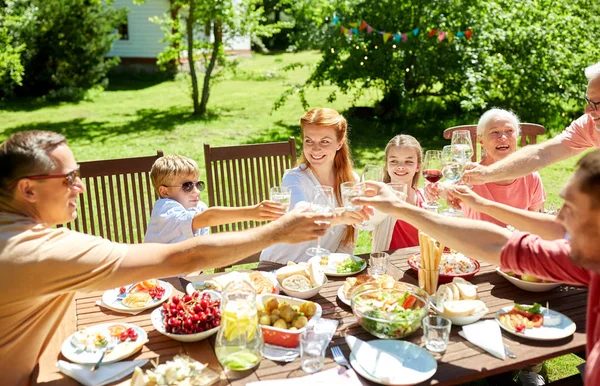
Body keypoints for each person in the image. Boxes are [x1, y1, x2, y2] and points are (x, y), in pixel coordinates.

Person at [0, 130, 332, 386]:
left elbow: (207, 219)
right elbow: (183, 257)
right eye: (69, 179)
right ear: (28, 190)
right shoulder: (36, 249)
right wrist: (277, 231)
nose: (81, 187)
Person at [354, 149, 600, 386]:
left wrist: (400, 208)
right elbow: (531, 238)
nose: (559, 216)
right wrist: (481, 204)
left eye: (572, 208)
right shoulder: (588, 257)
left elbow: (497, 244)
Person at [259, 108, 369, 267]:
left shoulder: (351, 181)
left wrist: (340, 270)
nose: (315, 149)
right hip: (278, 266)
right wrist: (342, 215)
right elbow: (303, 214)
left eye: (324, 141)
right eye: (309, 141)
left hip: (321, 271)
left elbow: (349, 238)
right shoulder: (293, 178)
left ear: (339, 143)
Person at [463, 62, 600, 186]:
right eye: (588, 101)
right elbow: (542, 154)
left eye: (597, 103)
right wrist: (488, 173)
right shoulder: (588, 125)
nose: (587, 110)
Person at [428, 108, 546, 227]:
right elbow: (449, 187)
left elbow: (537, 220)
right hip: (478, 243)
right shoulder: (472, 174)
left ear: (517, 136)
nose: (503, 137)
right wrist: (437, 189)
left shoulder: (531, 176)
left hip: (516, 243)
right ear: (481, 140)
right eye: (495, 132)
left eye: (509, 131)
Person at [145, 154, 284, 244]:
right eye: (187, 186)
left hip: (185, 276)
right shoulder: (165, 208)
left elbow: (201, 250)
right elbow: (209, 217)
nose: (196, 191)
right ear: (164, 191)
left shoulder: (199, 208)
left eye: (198, 184)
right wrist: (251, 212)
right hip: (156, 281)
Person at [370, 135, 427, 252]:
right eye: (394, 161)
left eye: (408, 161)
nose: (401, 167)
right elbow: (368, 223)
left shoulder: (425, 198)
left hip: (420, 265)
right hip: (389, 266)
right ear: (386, 165)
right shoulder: (379, 197)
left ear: (418, 166)